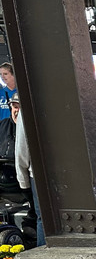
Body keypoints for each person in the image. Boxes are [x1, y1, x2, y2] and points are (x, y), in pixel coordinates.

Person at [10, 93, 44, 247]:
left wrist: (23, 183)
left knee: (43, 218)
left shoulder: (27, 111)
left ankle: (43, 257)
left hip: (37, 175)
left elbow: (22, 152)